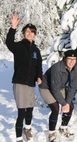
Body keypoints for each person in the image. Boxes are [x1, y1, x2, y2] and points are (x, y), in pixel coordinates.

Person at [6, 14, 43, 142]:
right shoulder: (19, 46)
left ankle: (27, 129)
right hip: (20, 82)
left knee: (30, 109)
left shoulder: (36, 50)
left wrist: (39, 77)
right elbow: (9, 43)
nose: (30, 34)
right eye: (28, 31)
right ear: (23, 33)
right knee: (21, 112)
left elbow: (39, 66)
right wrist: (13, 27)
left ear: (35, 34)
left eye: (32, 32)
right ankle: (18, 138)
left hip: (31, 84)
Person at [39, 50, 77, 142]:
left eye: (74, 59)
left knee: (70, 106)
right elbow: (54, 89)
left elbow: (72, 87)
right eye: (69, 59)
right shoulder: (57, 68)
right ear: (65, 59)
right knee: (55, 109)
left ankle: (63, 127)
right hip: (46, 87)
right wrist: (63, 103)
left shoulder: (76, 68)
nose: (72, 61)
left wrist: (67, 103)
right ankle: (51, 133)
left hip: (59, 87)